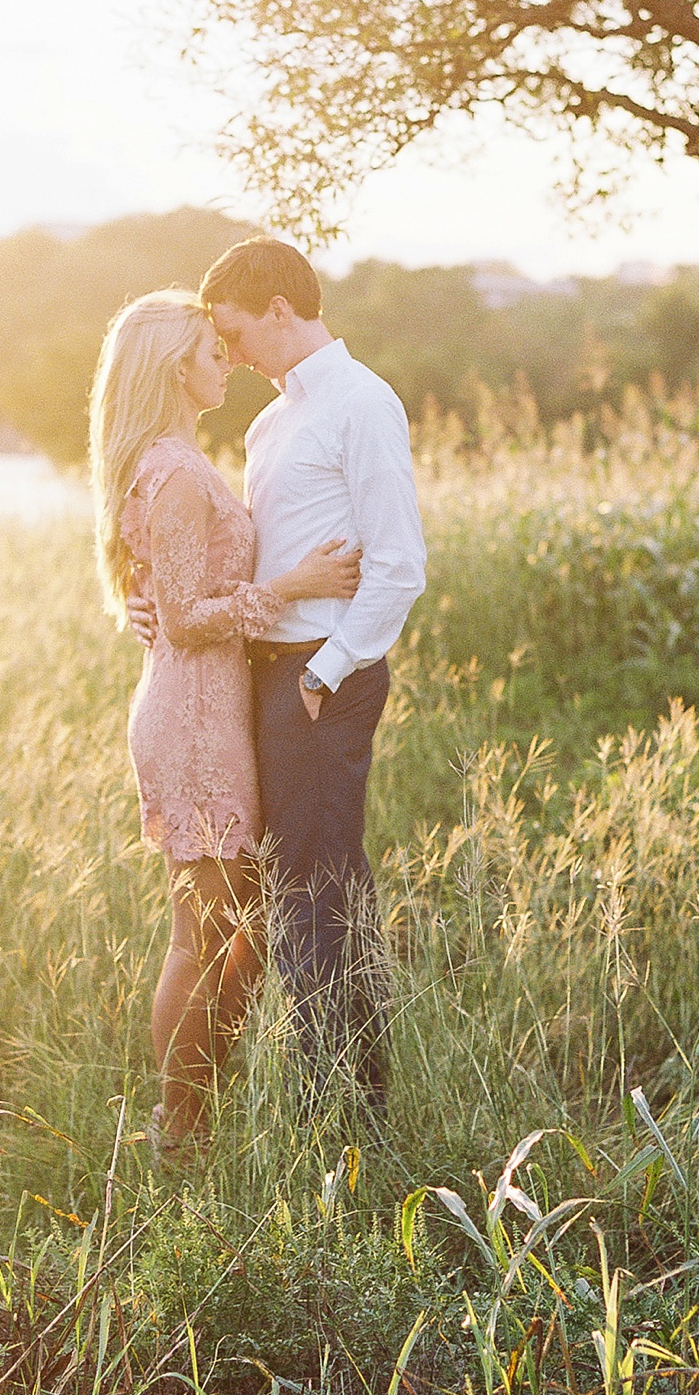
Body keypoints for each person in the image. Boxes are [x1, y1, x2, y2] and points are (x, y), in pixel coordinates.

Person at [135, 238, 427, 1119]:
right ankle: (265, 1105)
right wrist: (152, 604)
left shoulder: (362, 404)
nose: (230, 354)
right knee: (273, 901)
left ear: (277, 308)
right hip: (255, 678)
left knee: (318, 897)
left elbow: (399, 564)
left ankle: (344, 1115)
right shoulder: (270, 423)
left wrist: (328, 673)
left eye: (233, 332)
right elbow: (222, 561)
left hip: (317, 676)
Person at [88, 289, 363, 1165]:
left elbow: (168, 601)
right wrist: (297, 584)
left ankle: (198, 1111)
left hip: (214, 709)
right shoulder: (171, 470)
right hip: (193, 720)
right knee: (204, 931)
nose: (228, 362)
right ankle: (180, 1128)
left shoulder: (179, 459)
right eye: (214, 350)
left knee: (233, 925)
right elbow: (184, 616)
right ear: (176, 366)